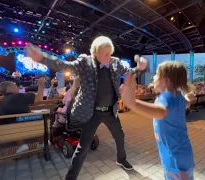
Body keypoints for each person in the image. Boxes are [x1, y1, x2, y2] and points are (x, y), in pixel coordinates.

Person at [27, 36, 147, 180]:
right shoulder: (85, 61)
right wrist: (43, 58)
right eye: (106, 54)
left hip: (110, 111)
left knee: (120, 136)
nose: (109, 57)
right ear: (95, 53)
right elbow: (64, 65)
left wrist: (138, 69)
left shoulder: (115, 63)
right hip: (92, 113)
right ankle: (70, 177)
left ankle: (121, 159)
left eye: (110, 53)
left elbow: (129, 71)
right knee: (82, 147)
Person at [120, 61, 194, 179]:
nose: (153, 77)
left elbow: (161, 112)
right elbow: (187, 103)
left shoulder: (167, 97)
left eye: (156, 74)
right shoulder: (177, 95)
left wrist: (132, 103)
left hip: (174, 159)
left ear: (166, 81)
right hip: (182, 154)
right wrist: (188, 98)